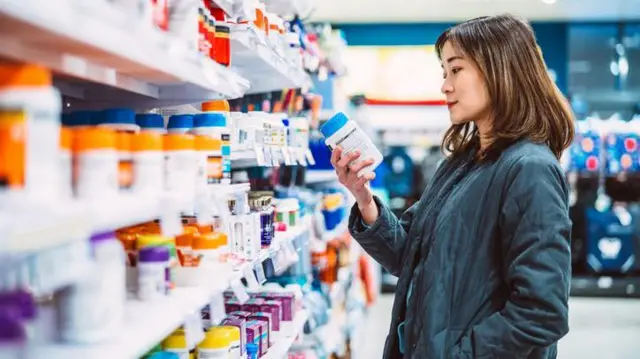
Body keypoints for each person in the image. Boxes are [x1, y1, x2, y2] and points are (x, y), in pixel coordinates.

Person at [331, 14, 574, 359]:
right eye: (444, 73)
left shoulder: (530, 169)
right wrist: (363, 196)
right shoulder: (461, 163)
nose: (445, 85)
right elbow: (407, 256)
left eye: (456, 70)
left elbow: (542, 312)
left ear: (500, 69)